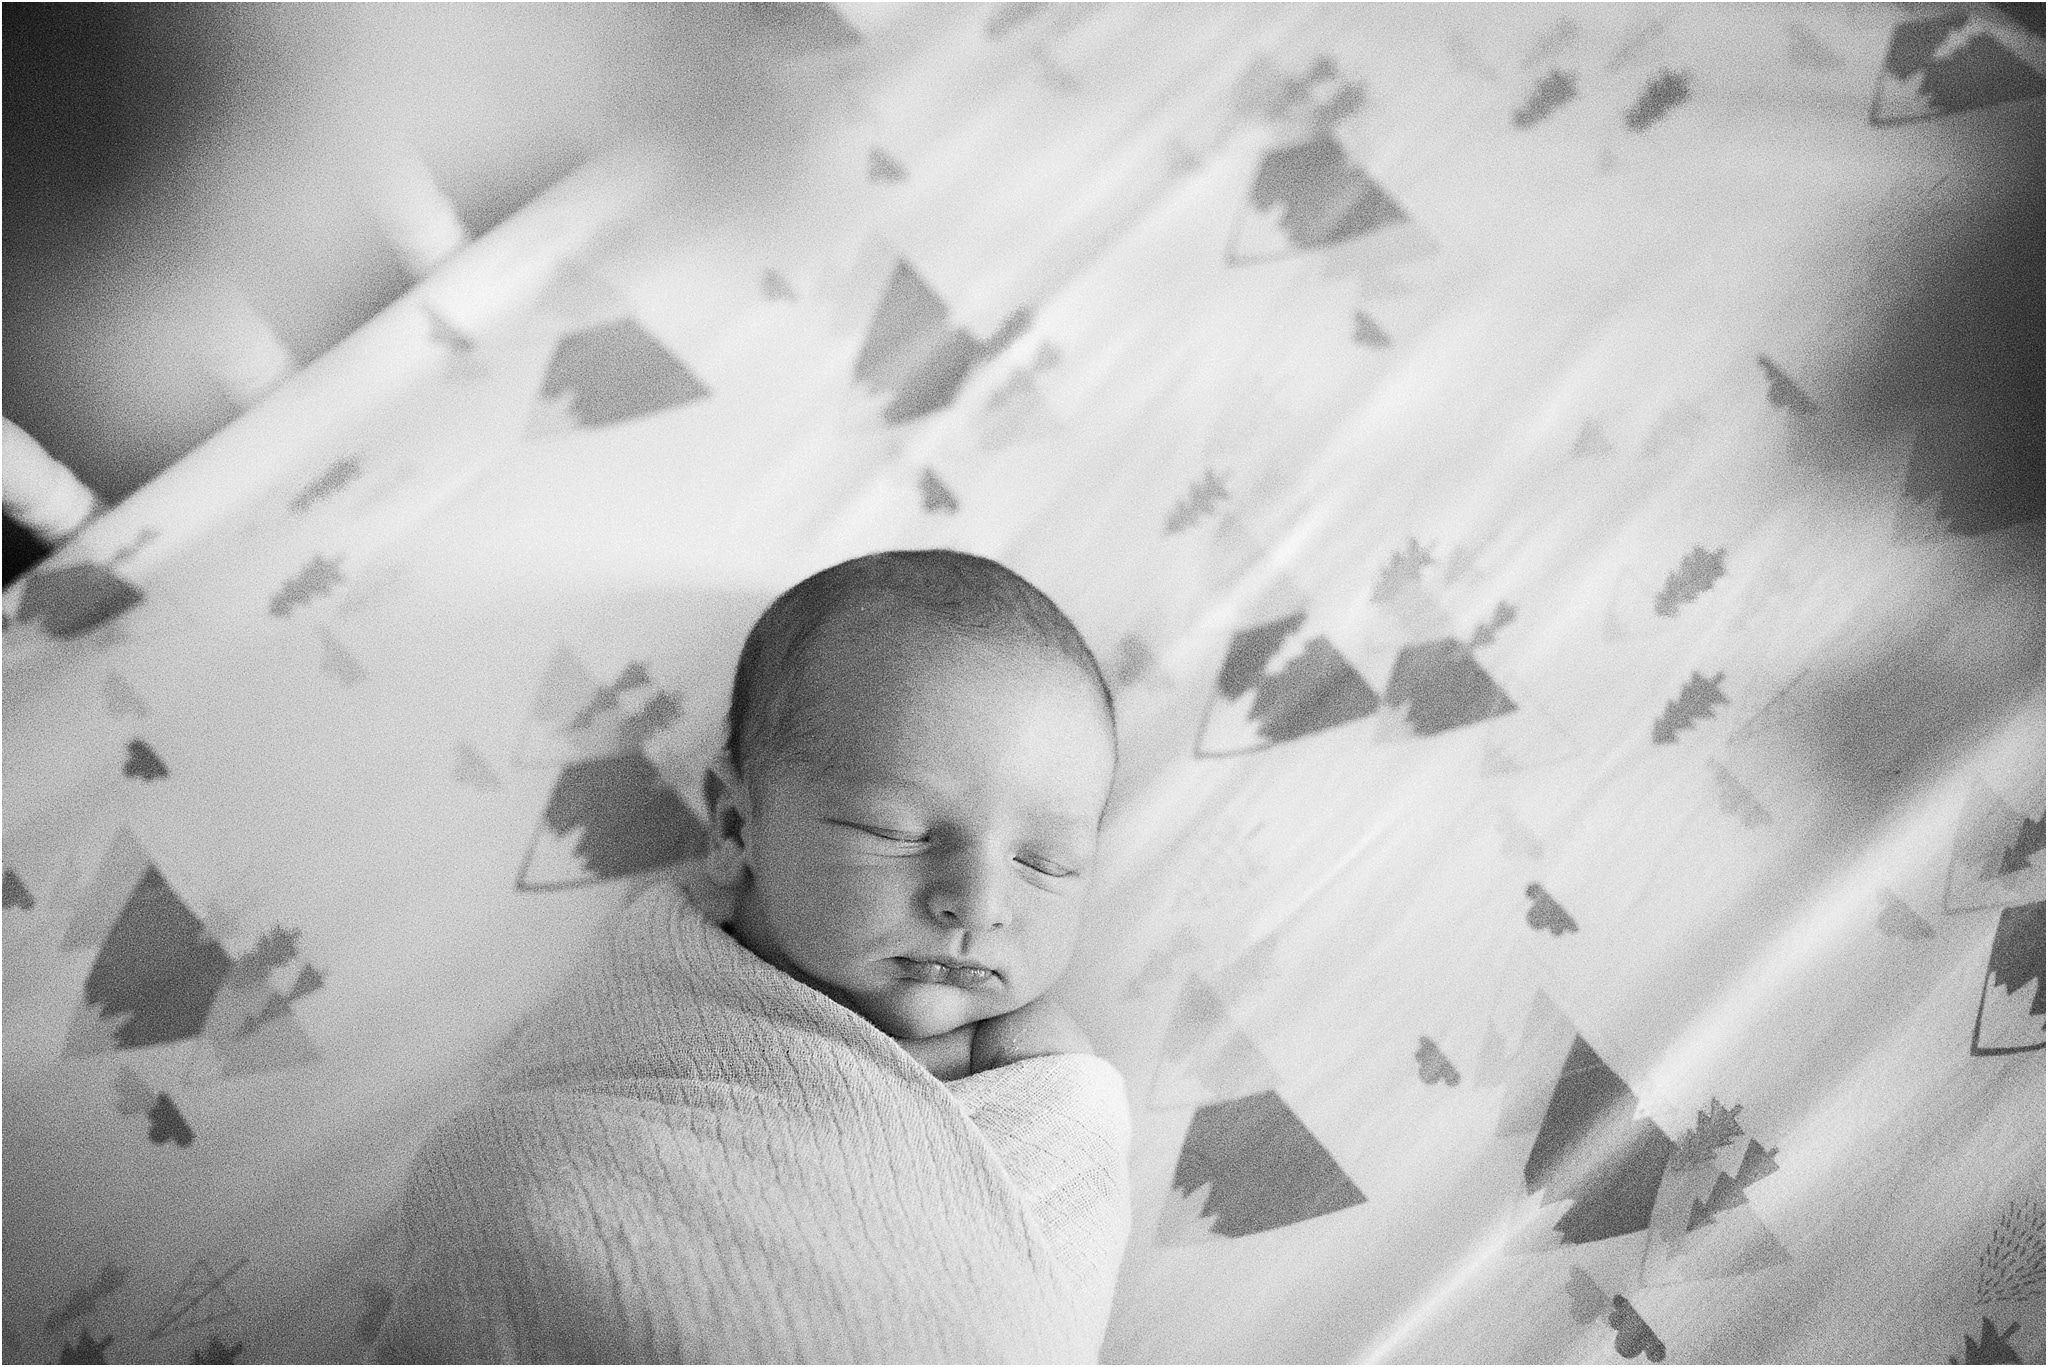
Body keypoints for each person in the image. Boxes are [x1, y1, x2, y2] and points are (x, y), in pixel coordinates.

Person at [374, 549, 1132, 1363]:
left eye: (1046, 863)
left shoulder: (1034, 1064)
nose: (978, 903)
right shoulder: (651, 992)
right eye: (898, 830)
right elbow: (536, 1177)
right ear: (737, 828)